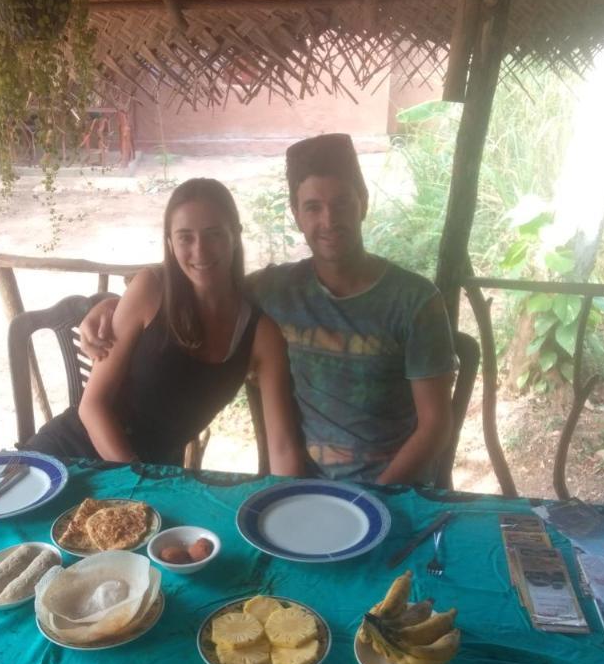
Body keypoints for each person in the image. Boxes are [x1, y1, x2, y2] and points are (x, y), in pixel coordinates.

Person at [80, 134, 457, 485]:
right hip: (307, 484)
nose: (329, 220)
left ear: (363, 202)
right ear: (296, 213)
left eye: (342, 202)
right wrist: (109, 305)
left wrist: (378, 496)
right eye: (313, 206)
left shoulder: (416, 302)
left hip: (393, 490)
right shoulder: (277, 289)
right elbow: (203, 276)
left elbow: (436, 425)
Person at [23, 177, 306, 476]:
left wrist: (288, 504)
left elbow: (283, 446)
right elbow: (92, 406)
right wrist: (140, 482)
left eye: (214, 234)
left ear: (235, 235)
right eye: (185, 237)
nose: (201, 250)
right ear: (170, 243)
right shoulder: (151, 290)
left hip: (157, 478)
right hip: (71, 457)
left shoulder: (261, 334)